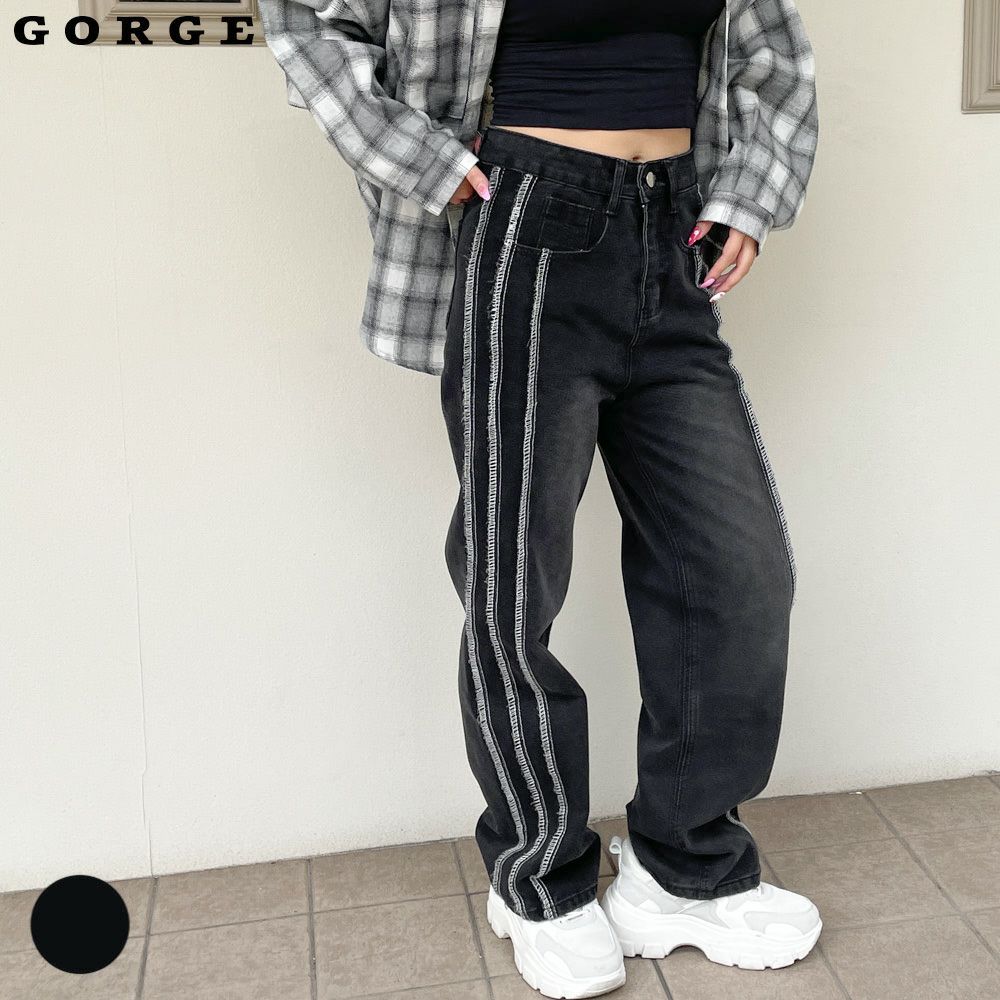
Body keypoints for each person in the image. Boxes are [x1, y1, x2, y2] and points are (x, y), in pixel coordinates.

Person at [259, 1, 822, 996]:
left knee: (736, 574)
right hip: (524, 215)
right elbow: (304, 22)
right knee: (515, 582)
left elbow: (774, 53)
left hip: (674, 227)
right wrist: (421, 159)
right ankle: (539, 880)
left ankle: (683, 866)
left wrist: (749, 194)